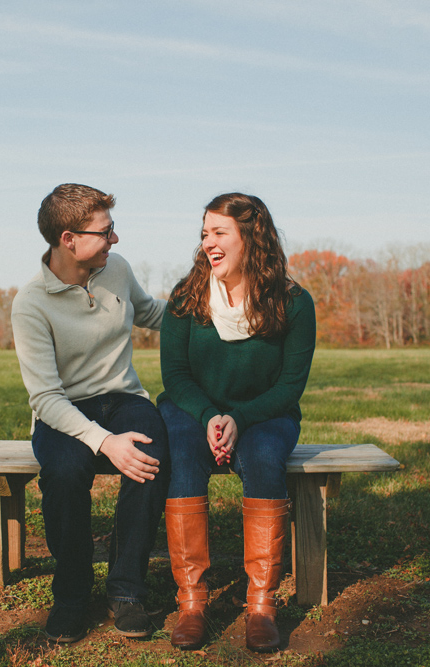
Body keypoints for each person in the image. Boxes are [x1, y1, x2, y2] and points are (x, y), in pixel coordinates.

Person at [157, 192, 316, 652]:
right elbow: (176, 375)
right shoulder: (186, 297)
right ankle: (191, 602)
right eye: (205, 233)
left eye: (219, 232)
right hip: (192, 409)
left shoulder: (293, 302)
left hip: (265, 413)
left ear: (251, 236)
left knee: (265, 456)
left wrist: (239, 418)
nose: (209, 242)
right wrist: (209, 416)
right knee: (183, 452)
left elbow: (289, 387)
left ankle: (262, 605)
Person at [11, 183, 169, 643]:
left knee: (151, 455)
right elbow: (45, 398)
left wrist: (214, 305)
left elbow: (151, 312)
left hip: (123, 398)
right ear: (68, 239)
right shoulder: (31, 304)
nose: (115, 239)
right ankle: (72, 595)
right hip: (63, 410)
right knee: (63, 469)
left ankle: (126, 590)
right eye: (106, 231)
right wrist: (103, 441)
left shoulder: (115, 268)